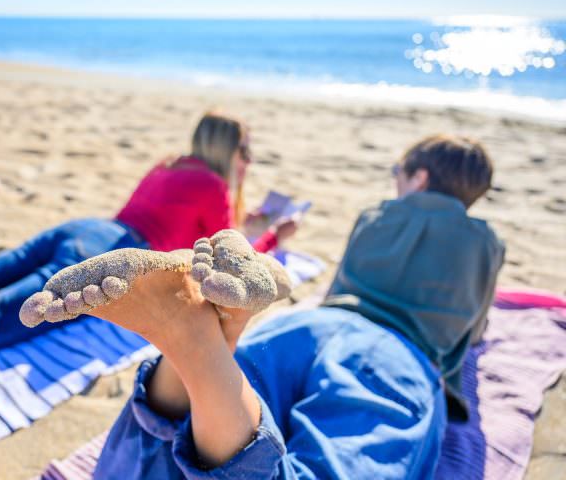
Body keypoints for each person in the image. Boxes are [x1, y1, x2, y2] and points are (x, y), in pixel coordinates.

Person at [83, 134, 504, 479]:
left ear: (420, 177)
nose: (396, 181)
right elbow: (473, 332)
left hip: (311, 325)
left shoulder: (376, 216)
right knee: (335, 463)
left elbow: (343, 284)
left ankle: (195, 358)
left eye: (398, 173)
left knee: (231, 391)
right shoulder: (488, 244)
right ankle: (199, 354)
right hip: (394, 355)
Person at [0, 111, 297, 356]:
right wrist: (272, 238)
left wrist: (247, 223)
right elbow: (229, 265)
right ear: (229, 151)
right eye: (246, 150)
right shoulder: (214, 185)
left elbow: (184, 223)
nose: (250, 160)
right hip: (106, 256)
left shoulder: (169, 166)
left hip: (85, 230)